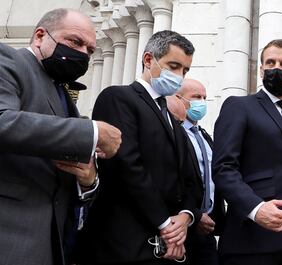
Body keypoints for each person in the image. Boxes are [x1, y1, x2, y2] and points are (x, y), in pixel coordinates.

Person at [0, 8, 121, 265]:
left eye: (89, 50)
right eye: (75, 42)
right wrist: (94, 132)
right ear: (40, 36)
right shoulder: (8, 60)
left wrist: (88, 181)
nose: (82, 54)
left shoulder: (60, 91)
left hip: (50, 242)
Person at [74, 30, 198, 265]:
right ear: (149, 59)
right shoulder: (119, 98)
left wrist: (185, 217)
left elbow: (190, 177)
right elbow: (126, 165)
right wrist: (166, 224)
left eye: (185, 70)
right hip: (124, 242)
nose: (179, 76)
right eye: (174, 66)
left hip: (167, 245)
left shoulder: (173, 118)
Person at [212, 39, 282, 265]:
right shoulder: (239, 106)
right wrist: (255, 208)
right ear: (261, 69)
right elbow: (224, 168)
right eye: (270, 63)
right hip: (253, 239)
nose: (276, 69)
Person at [176, 79, 225, 265]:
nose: (201, 102)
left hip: (207, 231)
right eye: (196, 97)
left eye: (204, 97)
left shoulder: (204, 136)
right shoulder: (175, 133)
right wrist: (195, 215)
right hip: (181, 228)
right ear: (179, 99)